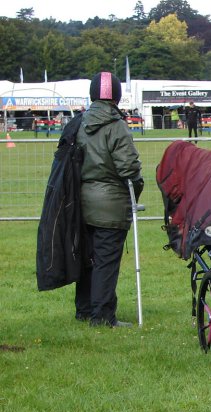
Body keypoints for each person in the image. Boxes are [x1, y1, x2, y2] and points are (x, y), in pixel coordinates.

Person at [74, 71, 144, 328]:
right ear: (117, 96)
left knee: (87, 259)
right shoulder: (117, 126)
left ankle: (84, 309)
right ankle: (102, 316)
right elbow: (129, 169)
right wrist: (137, 189)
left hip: (81, 202)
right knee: (105, 260)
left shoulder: (79, 123)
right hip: (111, 203)